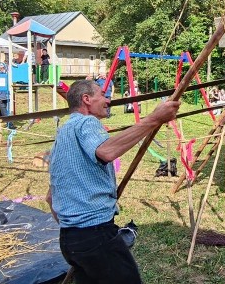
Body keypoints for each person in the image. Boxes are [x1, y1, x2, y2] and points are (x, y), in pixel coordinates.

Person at [46, 79, 179, 284]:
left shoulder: (63, 133)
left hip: (69, 240)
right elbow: (107, 151)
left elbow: (50, 197)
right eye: (103, 95)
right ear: (86, 99)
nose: (108, 100)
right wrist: (154, 119)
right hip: (96, 236)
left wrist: (75, 231)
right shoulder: (86, 122)